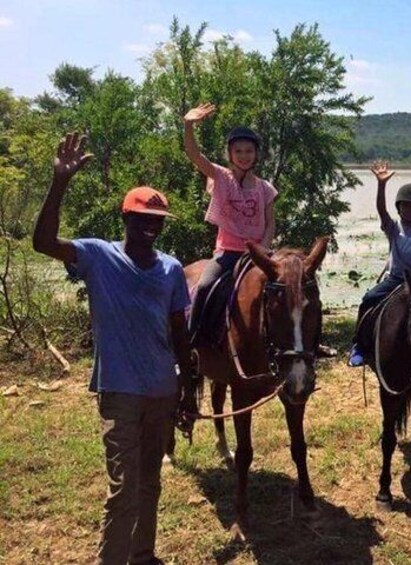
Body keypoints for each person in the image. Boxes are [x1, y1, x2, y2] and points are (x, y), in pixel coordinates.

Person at [32, 133, 195, 565]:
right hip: (119, 393)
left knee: (151, 482)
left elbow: (180, 333)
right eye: (143, 216)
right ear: (125, 216)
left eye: (158, 218)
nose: (151, 224)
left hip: (162, 391)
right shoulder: (97, 256)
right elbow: (43, 243)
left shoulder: (171, 269)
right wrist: (59, 183)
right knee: (124, 489)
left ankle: (142, 556)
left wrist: (188, 390)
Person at [182, 102, 278, 345]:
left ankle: (299, 344)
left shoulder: (265, 188)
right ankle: (193, 343)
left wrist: (263, 249)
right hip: (227, 254)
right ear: (230, 154)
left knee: (292, 284)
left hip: (258, 254)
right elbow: (195, 155)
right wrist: (188, 125)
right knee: (204, 287)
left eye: (248, 151)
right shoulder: (221, 177)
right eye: (238, 151)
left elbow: (270, 225)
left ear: (256, 154)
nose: (244, 156)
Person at [347, 160, 411, 367]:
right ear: (398, 207)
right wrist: (381, 185)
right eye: (405, 205)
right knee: (368, 299)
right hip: (394, 279)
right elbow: (381, 210)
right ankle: (359, 345)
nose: (409, 209)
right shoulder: (393, 228)